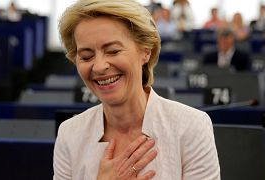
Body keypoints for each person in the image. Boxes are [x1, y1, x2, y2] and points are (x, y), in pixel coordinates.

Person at [54, 0, 220, 179]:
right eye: (86, 56)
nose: (99, 66)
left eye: (113, 51)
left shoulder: (191, 127)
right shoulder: (69, 134)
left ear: (145, 51)